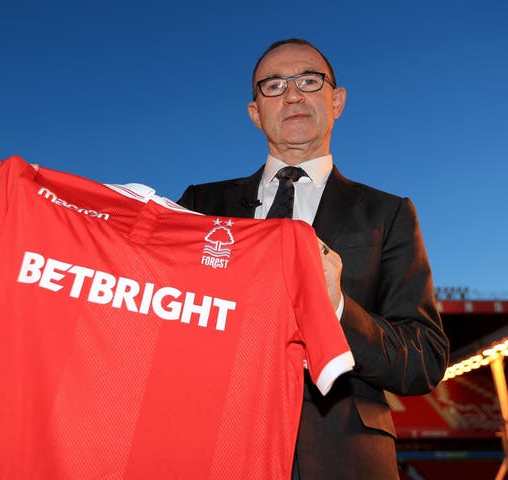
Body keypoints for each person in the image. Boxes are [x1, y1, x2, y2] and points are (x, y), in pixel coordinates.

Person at [177, 38, 449, 479]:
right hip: (218, 450)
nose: (292, 94)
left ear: (337, 100)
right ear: (254, 112)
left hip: (346, 459)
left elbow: (423, 360)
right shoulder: (199, 205)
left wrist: (337, 308)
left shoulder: (389, 214)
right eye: (274, 85)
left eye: (308, 80)